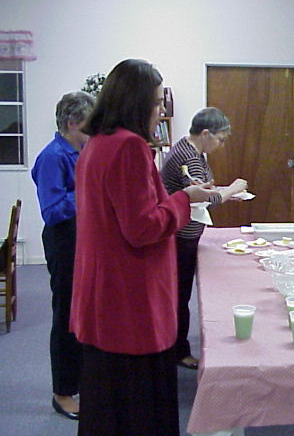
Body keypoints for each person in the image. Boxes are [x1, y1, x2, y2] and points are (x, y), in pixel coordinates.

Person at [70, 59, 219, 436]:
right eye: (155, 103)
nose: (159, 111)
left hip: (104, 294)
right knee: (138, 408)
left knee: (105, 405)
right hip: (129, 299)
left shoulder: (97, 143)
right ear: (135, 103)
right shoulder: (128, 147)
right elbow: (142, 227)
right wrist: (184, 199)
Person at [161, 107, 247, 370]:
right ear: (206, 134)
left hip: (183, 232)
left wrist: (223, 191)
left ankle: (175, 348)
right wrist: (233, 189)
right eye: (220, 139)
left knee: (179, 296)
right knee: (179, 297)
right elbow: (203, 199)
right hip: (180, 235)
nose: (221, 145)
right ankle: (177, 351)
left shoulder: (188, 149)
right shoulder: (190, 158)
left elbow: (201, 190)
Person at [31, 91, 95, 421]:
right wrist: (87, 191)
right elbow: (52, 211)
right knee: (65, 318)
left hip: (82, 241)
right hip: (63, 242)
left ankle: (81, 382)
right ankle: (62, 393)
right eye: (88, 126)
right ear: (71, 123)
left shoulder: (79, 151)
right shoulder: (52, 157)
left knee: (82, 316)